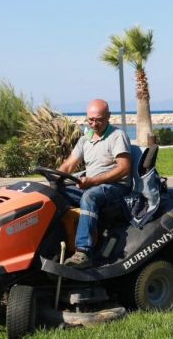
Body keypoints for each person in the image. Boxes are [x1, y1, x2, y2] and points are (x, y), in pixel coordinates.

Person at [58, 99, 132, 268]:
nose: (94, 124)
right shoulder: (86, 139)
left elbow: (124, 168)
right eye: (90, 120)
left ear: (108, 116)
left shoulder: (117, 136)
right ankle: (58, 240)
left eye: (99, 120)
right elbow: (68, 165)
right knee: (56, 193)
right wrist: (55, 179)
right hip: (93, 185)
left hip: (117, 187)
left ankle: (83, 252)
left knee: (89, 197)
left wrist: (93, 181)